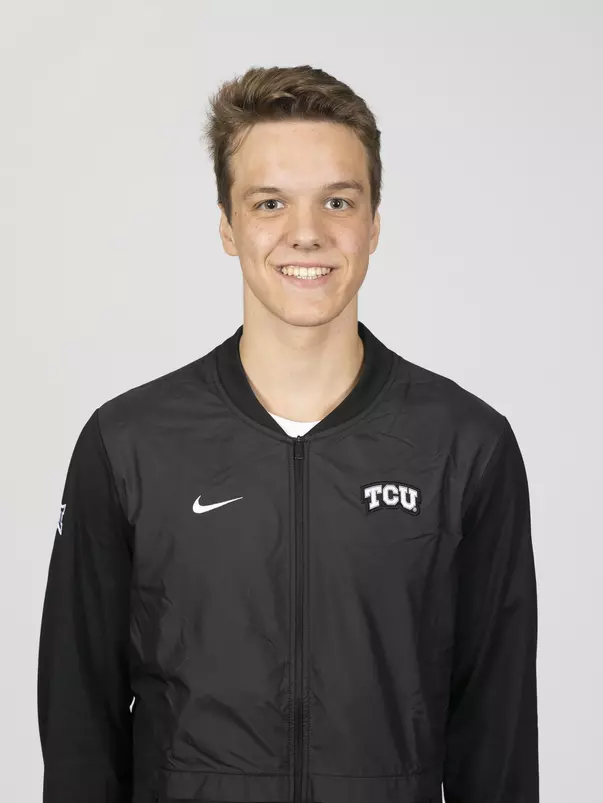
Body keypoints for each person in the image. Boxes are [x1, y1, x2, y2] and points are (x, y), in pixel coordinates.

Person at [37, 65, 539, 803]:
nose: (306, 233)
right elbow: (80, 719)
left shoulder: (463, 445)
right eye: (270, 202)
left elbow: (496, 734)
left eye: (337, 200)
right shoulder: (129, 444)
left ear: (372, 223)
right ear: (227, 225)